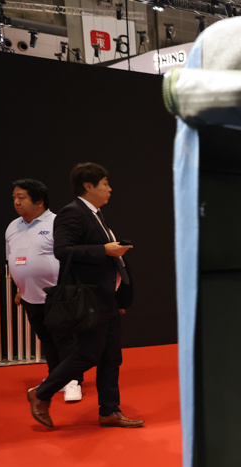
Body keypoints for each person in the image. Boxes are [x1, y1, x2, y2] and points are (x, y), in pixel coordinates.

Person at [27, 163, 142, 429]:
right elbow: (62, 250)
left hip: (106, 297)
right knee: (88, 354)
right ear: (88, 186)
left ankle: (109, 411)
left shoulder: (96, 214)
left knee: (112, 357)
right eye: (105, 184)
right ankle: (41, 393)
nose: (110, 189)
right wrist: (104, 250)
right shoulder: (72, 212)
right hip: (89, 298)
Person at [5, 179, 83, 401]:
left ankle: (73, 381)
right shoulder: (12, 227)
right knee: (46, 339)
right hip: (29, 295)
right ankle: (55, 377)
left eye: (21, 197)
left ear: (39, 201)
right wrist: (19, 288)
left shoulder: (57, 223)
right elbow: (12, 258)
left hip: (57, 294)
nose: (16, 202)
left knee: (64, 339)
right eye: (14, 197)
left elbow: (71, 258)